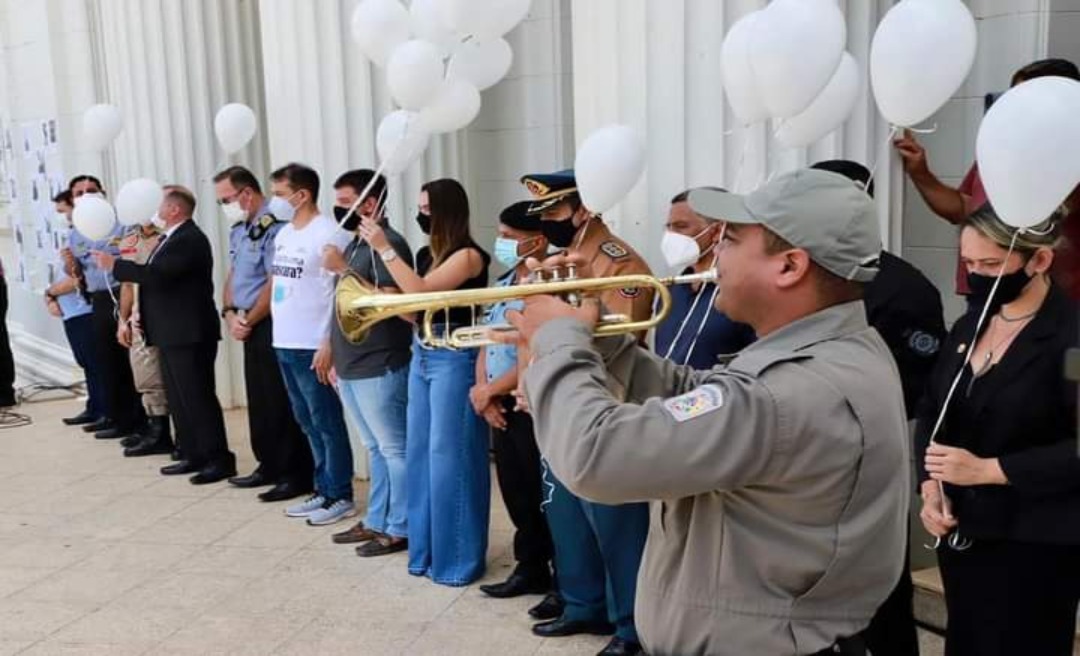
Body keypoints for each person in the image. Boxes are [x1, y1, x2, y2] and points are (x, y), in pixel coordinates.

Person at [504, 169, 909, 655]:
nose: (715, 254)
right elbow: (695, 396)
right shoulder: (834, 351)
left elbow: (595, 457)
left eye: (730, 240)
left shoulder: (788, 391)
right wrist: (602, 338)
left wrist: (557, 340)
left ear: (789, 266)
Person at [915, 206, 1080, 656]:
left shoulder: (1070, 336)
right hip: (965, 532)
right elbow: (933, 408)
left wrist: (992, 469)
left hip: (1036, 541)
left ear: (1039, 260)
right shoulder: (971, 324)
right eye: (969, 263)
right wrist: (930, 487)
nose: (977, 276)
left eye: (990, 265)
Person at [812, 159, 948, 656]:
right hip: (805, 451)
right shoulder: (804, 271)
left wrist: (850, 413)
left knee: (878, 584)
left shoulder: (903, 286)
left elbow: (919, 380)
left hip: (864, 452)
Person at [519, 169, 654, 656]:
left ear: (584, 209)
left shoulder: (620, 263)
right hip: (559, 399)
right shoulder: (554, 262)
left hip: (604, 402)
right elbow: (530, 326)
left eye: (555, 211)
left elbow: (624, 338)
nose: (547, 221)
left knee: (615, 525)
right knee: (566, 513)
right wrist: (530, 379)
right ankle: (583, 603)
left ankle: (631, 625)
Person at [356, 178, 491, 586]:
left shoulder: (468, 255)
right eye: (419, 208)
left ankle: (457, 560)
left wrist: (383, 248)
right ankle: (426, 553)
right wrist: (380, 298)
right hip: (424, 350)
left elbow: (424, 292)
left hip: (454, 354)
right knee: (419, 453)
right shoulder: (423, 253)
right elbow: (415, 309)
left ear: (447, 211)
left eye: (427, 209)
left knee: (449, 455)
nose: (421, 215)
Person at [893, 58, 1080, 296]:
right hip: (983, 285)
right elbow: (963, 208)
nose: (1017, 108)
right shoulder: (996, 150)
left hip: (1051, 294)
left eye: (1030, 100)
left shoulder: (1071, 158)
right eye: (1014, 98)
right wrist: (920, 172)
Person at [94, 185, 237, 484]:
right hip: (169, 332)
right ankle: (192, 453)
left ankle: (217, 458)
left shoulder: (189, 238)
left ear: (174, 209)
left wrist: (115, 265)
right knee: (179, 398)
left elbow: (158, 276)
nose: (154, 210)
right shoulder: (167, 238)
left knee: (197, 397)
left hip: (188, 332)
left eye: (159, 204)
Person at [323, 169, 413, 557]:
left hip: (380, 361)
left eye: (345, 203)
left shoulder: (388, 243)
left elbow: (394, 301)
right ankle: (378, 518)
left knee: (394, 449)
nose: (339, 210)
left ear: (370, 204)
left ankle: (401, 526)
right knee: (375, 448)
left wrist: (342, 269)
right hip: (352, 361)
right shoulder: (356, 243)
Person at [215, 166, 313, 503]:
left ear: (245, 193)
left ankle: (292, 473)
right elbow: (234, 273)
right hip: (245, 320)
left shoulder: (276, 226)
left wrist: (249, 319)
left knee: (279, 400)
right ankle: (268, 463)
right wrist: (230, 312)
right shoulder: (240, 229)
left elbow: (275, 281)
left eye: (226, 199)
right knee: (259, 399)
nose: (224, 206)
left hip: (269, 320)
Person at [473, 201, 556, 600]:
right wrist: (482, 390)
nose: (500, 242)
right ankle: (530, 566)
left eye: (509, 236)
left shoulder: (547, 286)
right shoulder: (504, 281)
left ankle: (560, 572)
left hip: (528, 400)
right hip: (498, 400)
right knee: (515, 489)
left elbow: (534, 349)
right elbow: (485, 340)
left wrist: (492, 390)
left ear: (537, 241)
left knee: (541, 492)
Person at [269, 163, 356, 526]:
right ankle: (322, 487)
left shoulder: (329, 233)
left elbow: (339, 291)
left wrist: (328, 341)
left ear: (301, 195)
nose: (275, 201)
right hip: (284, 339)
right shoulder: (284, 233)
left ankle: (340, 494)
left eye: (279, 194)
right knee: (306, 419)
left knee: (326, 420)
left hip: (313, 343)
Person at [66, 175, 144, 440]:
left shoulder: (122, 223)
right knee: (106, 360)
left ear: (103, 192)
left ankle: (137, 419)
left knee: (127, 360)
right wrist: (69, 263)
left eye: (92, 190)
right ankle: (115, 416)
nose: (86, 195)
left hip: (122, 293)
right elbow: (77, 269)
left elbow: (132, 259)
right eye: (79, 192)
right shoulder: (76, 230)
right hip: (98, 298)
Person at [655, 188, 755, 367]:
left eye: (681, 226)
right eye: (668, 227)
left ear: (717, 231)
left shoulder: (744, 291)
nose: (671, 236)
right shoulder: (670, 290)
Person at [113, 217, 173, 458]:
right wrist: (122, 320)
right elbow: (127, 285)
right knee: (145, 374)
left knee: (170, 379)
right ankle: (156, 429)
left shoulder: (168, 236)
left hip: (164, 316)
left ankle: (171, 433)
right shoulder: (129, 240)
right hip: (138, 317)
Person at [46, 191, 105, 426]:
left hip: (83, 309)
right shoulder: (71, 235)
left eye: (63, 211)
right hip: (70, 311)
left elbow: (79, 277)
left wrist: (53, 292)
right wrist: (50, 296)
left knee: (95, 362)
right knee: (85, 362)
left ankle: (104, 409)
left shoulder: (88, 234)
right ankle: (94, 406)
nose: (61, 216)